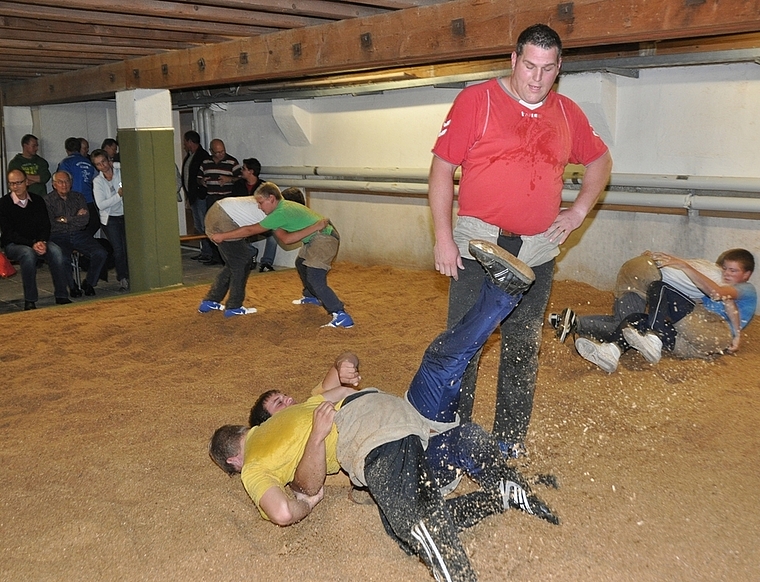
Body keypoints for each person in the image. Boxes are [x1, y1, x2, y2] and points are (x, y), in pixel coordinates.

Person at [210, 241, 557, 582]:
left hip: (408, 415)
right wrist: (309, 495)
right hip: (386, 434)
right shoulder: (256, 463)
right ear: (238, 456)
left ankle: (503, 291)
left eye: (284, 398)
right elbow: (285, 509)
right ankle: (502, 497)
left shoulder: (311, 402)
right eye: (277, 405)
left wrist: (347, 364)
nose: (287, 402)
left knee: (440, 360)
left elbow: (345, 358)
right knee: (417, 508)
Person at [427, 23, 612, 457]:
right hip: (479, 244)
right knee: (465, 343)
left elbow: (600, 161)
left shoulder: (567, 113)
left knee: (523, 347)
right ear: (513, 60)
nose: (536, 77)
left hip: (537, 249)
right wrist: (442, 236)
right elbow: (440, 171)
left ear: (559, 68)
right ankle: (453, 435)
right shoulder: (477, 101)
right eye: (529, 65)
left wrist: (579, 210)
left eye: (547, 69)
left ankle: (509, 442)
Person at [571, 249, 756, 373]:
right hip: (689, 346)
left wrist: (737, 335)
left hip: (715, 333)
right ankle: (611, 352)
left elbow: (724, 298)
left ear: (746, 275)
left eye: (733, 270)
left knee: (659, 287)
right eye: (725, 268)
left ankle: (652, 336)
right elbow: (702, 301)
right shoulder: (711, 293)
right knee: (636, 319)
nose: (727, 273)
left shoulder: (745, 288)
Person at [209, 182, 354, 328]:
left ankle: (340, 314)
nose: (259, 207)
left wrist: (223, 236)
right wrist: (314, 227)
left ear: (271, 198)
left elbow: (250, 230)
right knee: (301, 263)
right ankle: (311, 296)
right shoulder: (281, 209)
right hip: (316, 236)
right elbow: (286, 239)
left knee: (315, 278)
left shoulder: (280, 212)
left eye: (260, 203)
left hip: (324, 238)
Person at [198, 189, 325, 317]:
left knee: (236, 262)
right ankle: (233, 306)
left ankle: (210, 301)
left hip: (219, 210)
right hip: (224, 217)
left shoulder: (274, 204)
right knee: (241, 262)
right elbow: (250, 231)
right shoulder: (277, 212)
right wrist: (223, 236)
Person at [548, 252, 725, 343]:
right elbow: (715, 292)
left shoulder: (706, 264)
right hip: (648, 275)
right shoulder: (721, 277)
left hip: (637, 265)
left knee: (622, 319)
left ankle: (567, 320)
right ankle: (577, 324)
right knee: (625, 328)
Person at [0, 169, 71, 310]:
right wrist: (32, 244)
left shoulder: (38, 200)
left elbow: (45, 225)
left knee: (56, 251)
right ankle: (30, 299)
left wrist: (42, 241)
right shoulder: (4, 203)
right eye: (11, 184)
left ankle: (62, 295)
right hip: (14, 244)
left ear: (26, 182)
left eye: (18, 183)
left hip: (38, 241)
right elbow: (8, 233)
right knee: (28, 254)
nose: (15, 187)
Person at [44, 171, 108, 298]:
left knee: (101, 253)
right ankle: (72, 286)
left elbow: (84, 221)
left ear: (71, 183)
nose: (64, 185)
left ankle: (89, 283)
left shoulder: (79, 197)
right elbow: (50, 224)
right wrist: (75, 218)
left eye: (67, 181)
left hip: (79, 234)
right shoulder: (47, 201)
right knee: (63, 258)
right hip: (58, 236)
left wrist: (64, 219)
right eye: (60, 182)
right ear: (54, 184)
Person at [197, 138, 241, 265]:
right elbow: (198, 177)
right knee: (212, 227)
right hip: (211, 198)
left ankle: (227, 258)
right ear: (211, 151)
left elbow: (241, 178)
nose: (221, 154)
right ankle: (215, 257)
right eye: (218, 152)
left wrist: (229, 179)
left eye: (223, 151)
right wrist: (202, 182)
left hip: (226, 199)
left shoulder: (232, 161)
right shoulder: (205, 162)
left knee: (226, 228)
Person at [229, 158, 277, 272]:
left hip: (261, 220)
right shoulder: (238, 185)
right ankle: (251, 252)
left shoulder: (265, 187)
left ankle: (266, 262)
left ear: (251, 171)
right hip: (243, 220)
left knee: (274, 234)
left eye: (244, 169)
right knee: (233, 234)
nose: (241, 171)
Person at [91, 149, 129, 292]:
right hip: (111, 219)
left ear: (109, 160)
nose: (103, 166)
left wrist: (116, 165)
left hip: (126, 215)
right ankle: (123, 278)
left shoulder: (120, 172)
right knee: (118, 249)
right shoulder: (98, 181)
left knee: (128, 247)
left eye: (104, 161)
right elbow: (101, 204)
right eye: (99, 164)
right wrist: (118, 196)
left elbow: (128, 166)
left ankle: (131, 275)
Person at [57, 137, 100, 236]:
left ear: (67, 150)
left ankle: (80, 245)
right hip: (89, 200)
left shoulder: (65, 163)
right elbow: (97, 179)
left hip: (72, 200)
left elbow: (62, 180)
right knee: (94, 223)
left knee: (72, 225)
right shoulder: (89, 162)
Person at [181, 131, 213, 261]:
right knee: (198, 225)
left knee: (204, 225)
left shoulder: (202, 156)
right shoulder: (190, 156)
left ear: (190, 141)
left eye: (185, 141)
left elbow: (200, 177)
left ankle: (209, 252)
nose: (184, 144)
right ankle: (204, 251)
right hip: (193, 196)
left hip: (200, 196)